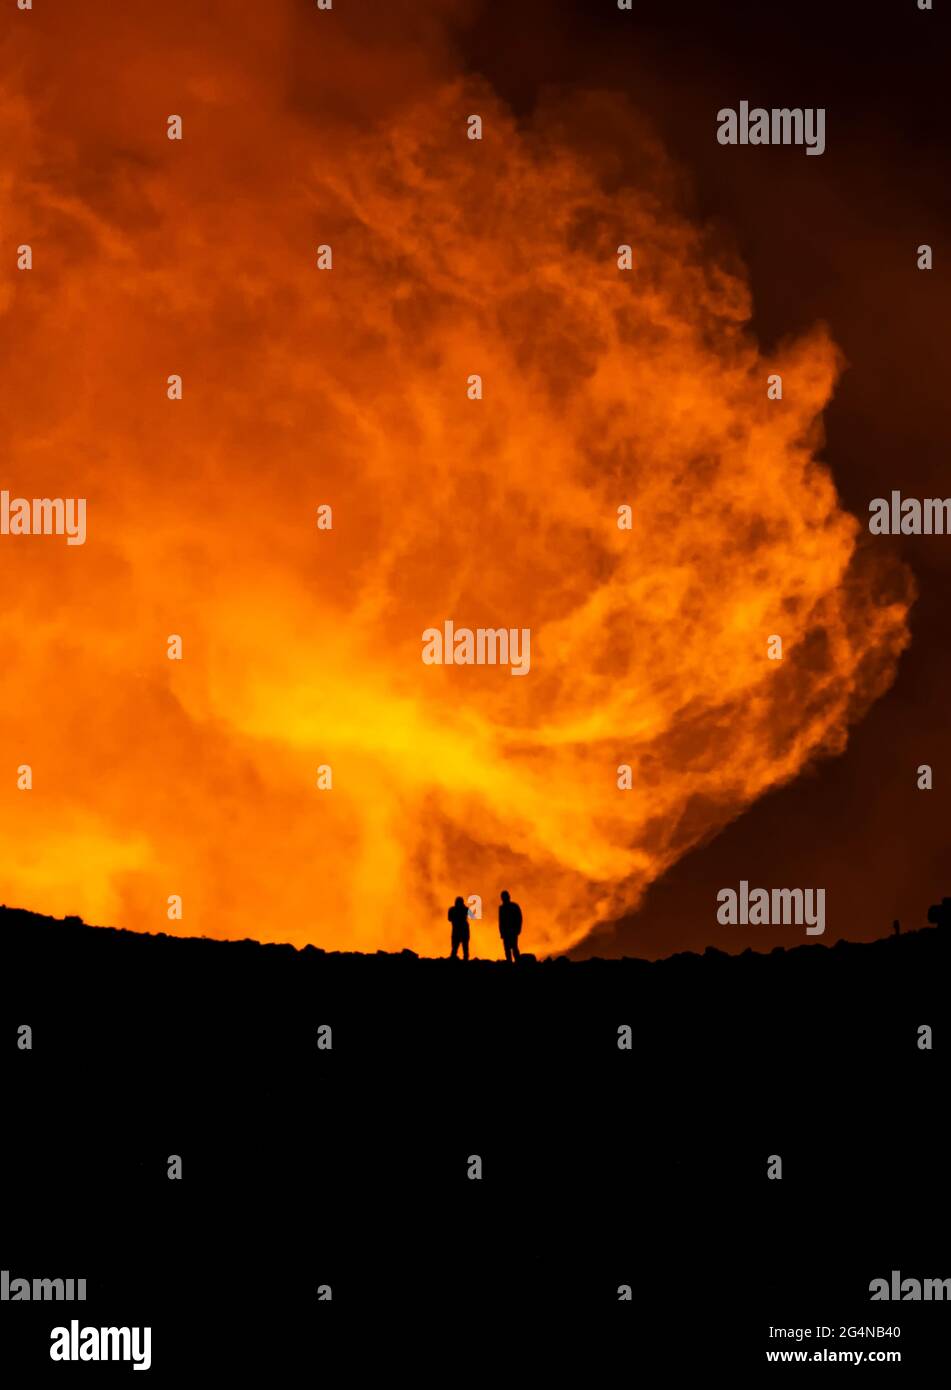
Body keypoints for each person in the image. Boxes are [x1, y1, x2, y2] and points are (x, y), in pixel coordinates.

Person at [498, 890, 522, 962]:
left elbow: (519, 918)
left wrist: (518, 929)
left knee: (514, 948)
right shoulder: (502, 908)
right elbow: (501, 921)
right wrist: (501, 932)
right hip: (507, 932)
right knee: (508, 949)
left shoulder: (514, 906)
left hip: (512, 931)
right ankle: (510, 962)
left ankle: (517, 962)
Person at [447, 896, 470, 961]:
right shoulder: (464, 909)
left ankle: (457, 958)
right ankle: (458, 958)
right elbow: (449, 918)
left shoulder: (452, 909)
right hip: (460, 930)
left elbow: (449, 918)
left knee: (462, 947)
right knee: (458, 947)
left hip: (460, 930)